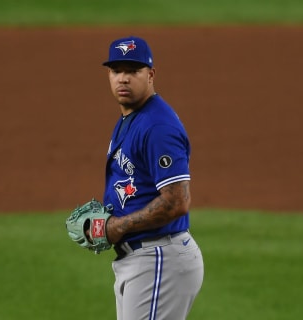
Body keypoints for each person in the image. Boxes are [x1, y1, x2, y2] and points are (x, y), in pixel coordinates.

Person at [101, 36, 204, 320]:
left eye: (132, 71)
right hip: (142, 258)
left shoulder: (157, 126)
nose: (123, 78)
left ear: (150, 74)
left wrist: (117, 226)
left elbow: (177, 202)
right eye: (116, 70)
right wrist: (105, 221)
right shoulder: (131, 117)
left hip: (159, 258)